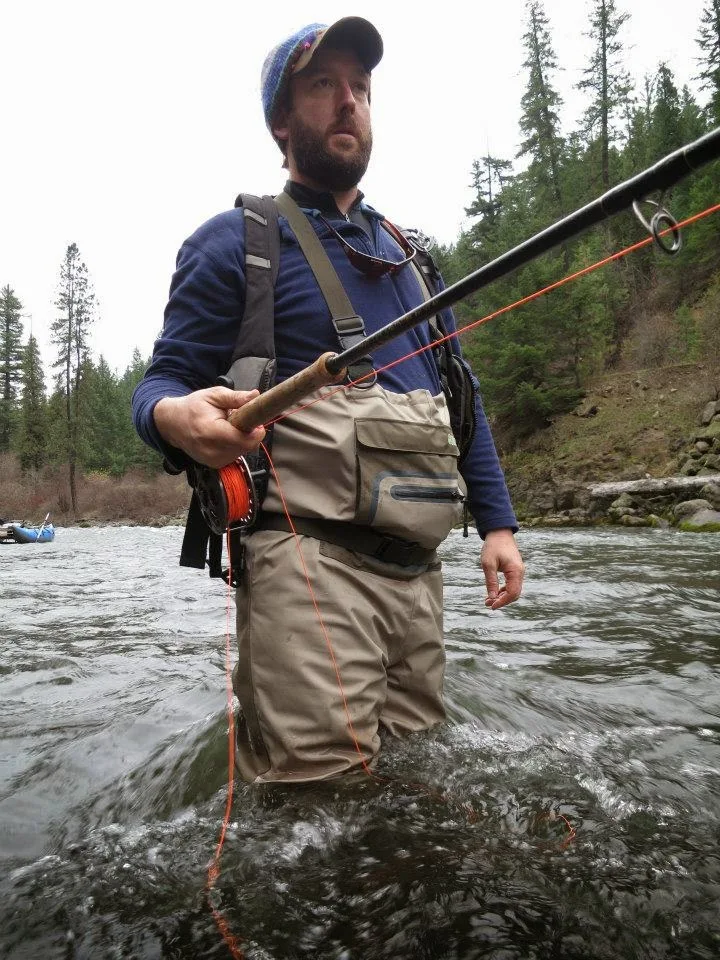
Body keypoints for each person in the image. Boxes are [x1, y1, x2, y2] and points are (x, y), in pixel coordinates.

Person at [132, 16, 525, 784]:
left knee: (417, 782)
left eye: (361, 88)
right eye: (324, 85)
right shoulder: (235, 242)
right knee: (320, 801)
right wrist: (173, 418)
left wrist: (499, 525)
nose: (349, 101)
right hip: (303, 564)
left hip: (419, 574)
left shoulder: (413, 259)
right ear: (282, 121)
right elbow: (161, 383)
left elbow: (462, 402)